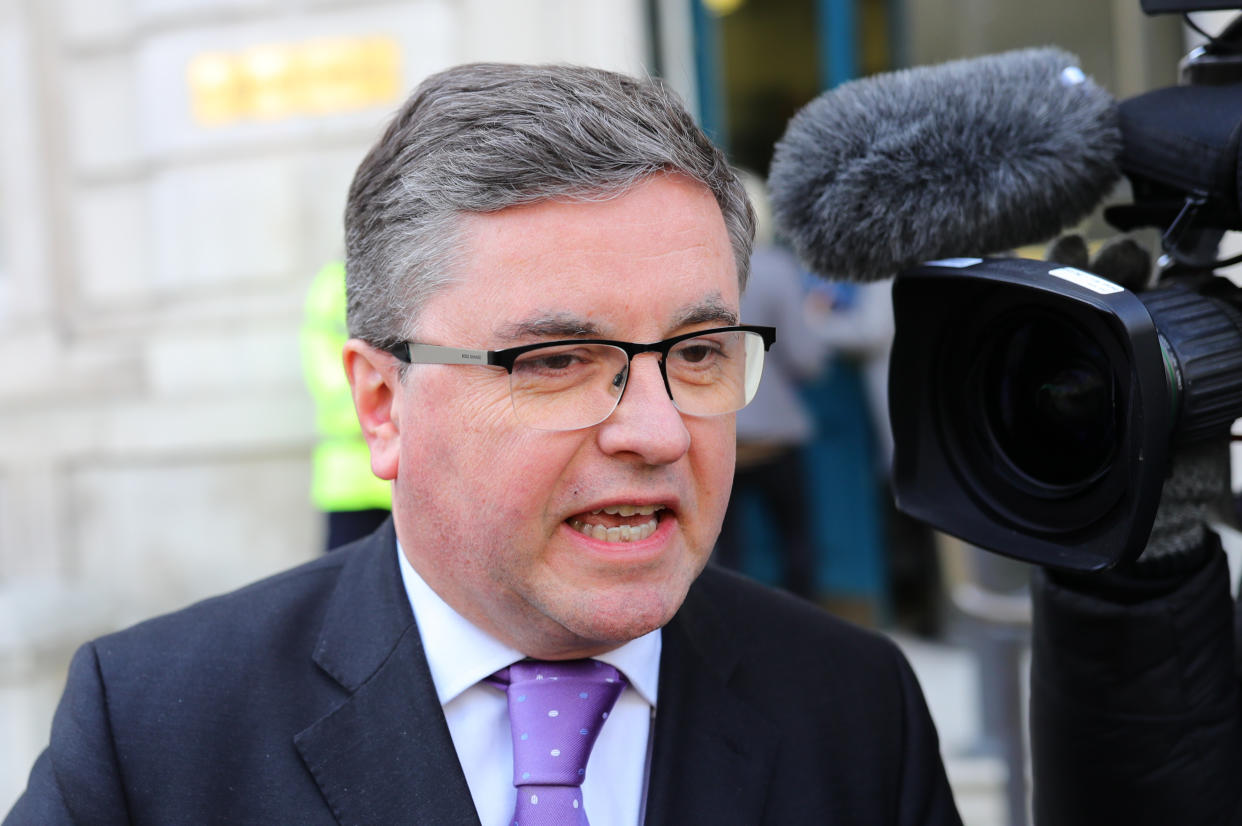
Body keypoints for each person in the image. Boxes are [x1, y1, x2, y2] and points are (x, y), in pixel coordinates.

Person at [4, 63, 962, 825]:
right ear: (383, 404)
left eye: (700, 351)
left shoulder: (855, 707)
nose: (658, 429)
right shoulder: (151, 729)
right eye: (557, 361)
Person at [300, 259, 392, 551]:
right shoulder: (332, 284)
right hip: (349, 483)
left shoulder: (408, 267)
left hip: (405, 476)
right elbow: (326, 378)